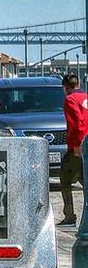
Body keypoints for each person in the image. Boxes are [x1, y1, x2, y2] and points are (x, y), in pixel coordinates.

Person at [57, 74, 87, 226]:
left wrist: (77, 145)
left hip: (77, 146)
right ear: (79, 84)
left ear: (66, 87)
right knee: (84, 179)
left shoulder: (70, 100)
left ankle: (69, 216)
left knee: (65, 180)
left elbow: (77, 123)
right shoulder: (86, 97)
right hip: (86, 144)